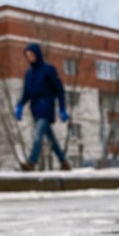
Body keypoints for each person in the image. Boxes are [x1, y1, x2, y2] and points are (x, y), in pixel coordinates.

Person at [15, 43, 71, 171]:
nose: (29, 58)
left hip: (46, 107)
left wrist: (62, 108)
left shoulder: (48, 70)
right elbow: (26, 93)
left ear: (37, 54)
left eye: (31, 55)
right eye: (27, 56)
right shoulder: (29, 74)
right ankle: (63, 162)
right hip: (35, 109)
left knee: (37, 134)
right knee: (51, 138)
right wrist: (20, 105)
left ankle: (31, 162)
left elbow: (59, 90)